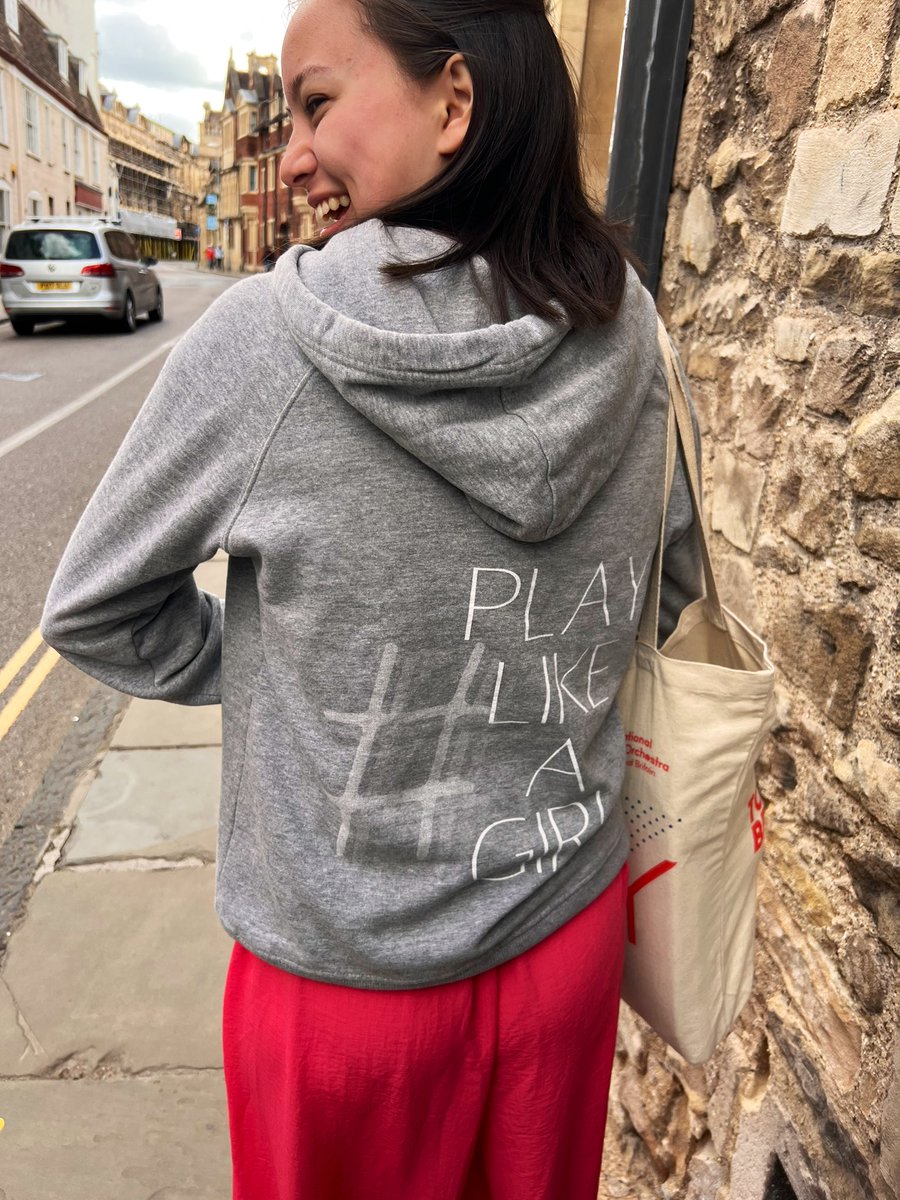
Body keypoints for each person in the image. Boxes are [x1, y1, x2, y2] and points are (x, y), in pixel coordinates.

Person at [40, 1, 702, 1196]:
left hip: (348, 993)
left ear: (455, 101)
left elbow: (95, 606)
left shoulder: (268, 344)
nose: (293, 154)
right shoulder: (631, 326)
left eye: (318, 104)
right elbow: (669, 592)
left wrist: (288, 670)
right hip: (566, 939)